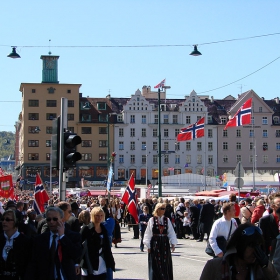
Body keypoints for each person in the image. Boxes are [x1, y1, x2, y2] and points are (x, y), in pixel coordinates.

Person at [200, 223, 280, 280]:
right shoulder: (214, 266)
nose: (255, 251)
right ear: (239, 245)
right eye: (251, 245)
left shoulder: (260, 269)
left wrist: (267, 266)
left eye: (259, 246)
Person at [26, 206, 82, 280]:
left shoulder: (73, 236)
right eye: (49, 219)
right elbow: (34, 263)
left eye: (55, 219)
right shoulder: (40, 239)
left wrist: (62, 236)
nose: (51, 222)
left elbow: (75, 254)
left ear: (62, 220)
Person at [143, 203, 177, 280]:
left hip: (164, 244)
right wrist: (148, 245)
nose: (164, 210)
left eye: (164, 209)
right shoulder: (152, 220)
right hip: (155, 244)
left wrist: (173, 243)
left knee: (165, 263)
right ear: (157, 209)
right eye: (162, 208)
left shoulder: (167, 220)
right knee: (155, 263)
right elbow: (148, 233)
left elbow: (171, 232)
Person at [80, 207, 115, 280]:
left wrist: (111, 261)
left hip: (101, 263)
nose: (99, 217)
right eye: (97, 215)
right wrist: (77, 263)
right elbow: (79, 246)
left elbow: (107, 247)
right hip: (88, 263)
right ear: (93, 216)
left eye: (101, 215)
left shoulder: (103, 229)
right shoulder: (86, 229)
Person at [0, 209, 31, 280]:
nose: (4, 222)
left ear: (16, 222)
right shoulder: (1, 238)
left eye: (8, 220)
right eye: (2, 219)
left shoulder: (25, 241)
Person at [259, 192, 280, 258]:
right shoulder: (265, 220)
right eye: (279, 205)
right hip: (271, 256)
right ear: (272, 206)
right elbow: (261, 241)